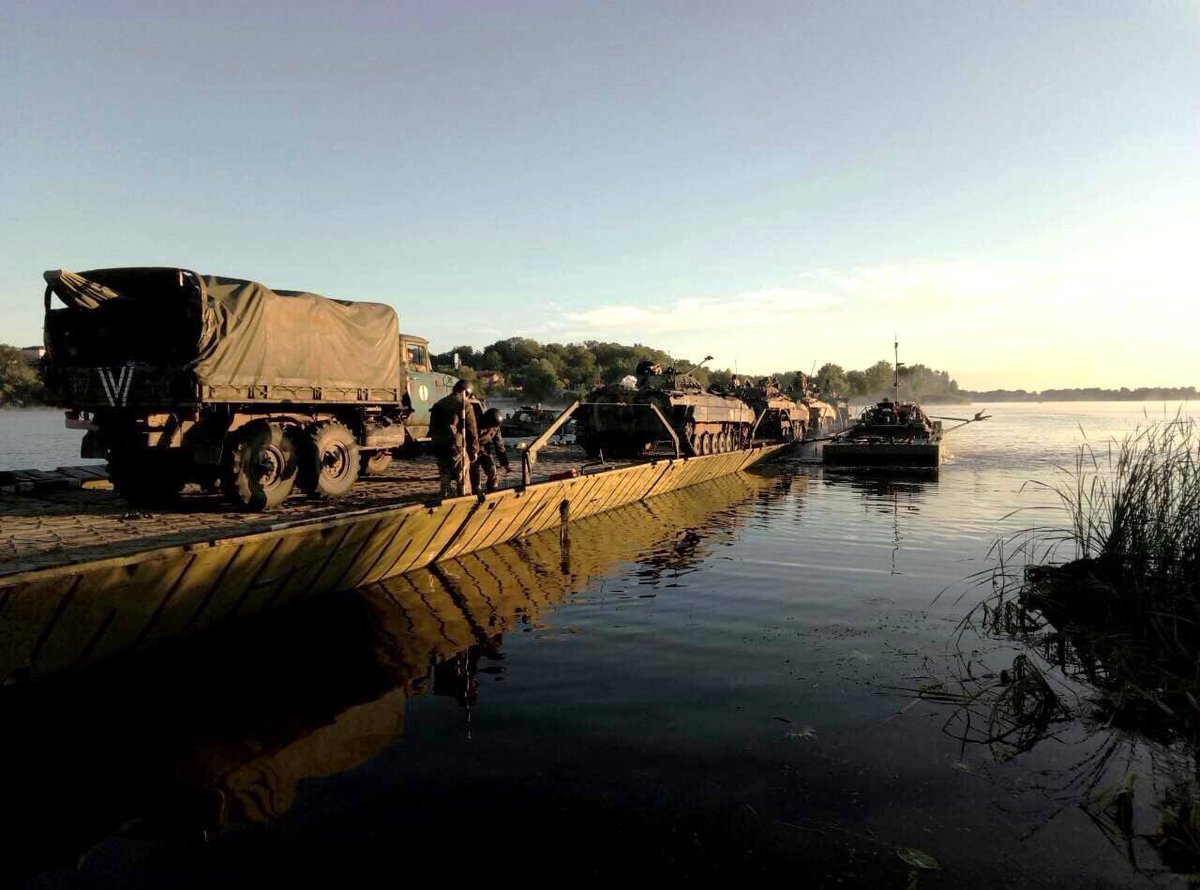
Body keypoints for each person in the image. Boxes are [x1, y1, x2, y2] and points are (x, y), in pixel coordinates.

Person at [428, 379, 479, 497]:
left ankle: (445, 496)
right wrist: (474, 450)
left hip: (439, 444)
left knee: (444, 475)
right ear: (466, 392)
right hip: (456, 445)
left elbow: (432, 428)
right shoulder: (464, 405)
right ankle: (464, 498)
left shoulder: (439, 404)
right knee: (462, 475)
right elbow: (471, 429)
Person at [471, 405, 510, 494]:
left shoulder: (495, 427)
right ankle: (475, 491)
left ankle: (491, 490)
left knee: (492, 471)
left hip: (484, 449)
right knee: (474, 474)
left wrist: (504, 463)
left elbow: (499, 445)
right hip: (471, 450)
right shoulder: (474, 423)